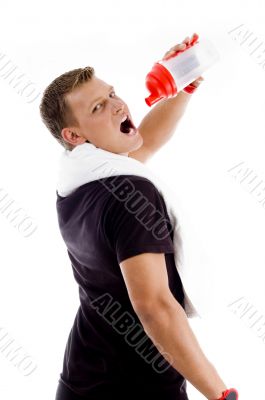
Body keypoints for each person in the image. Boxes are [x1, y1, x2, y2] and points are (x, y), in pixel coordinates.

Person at [39, 34, 227, 400]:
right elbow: (154, 306)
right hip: (134, 386)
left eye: (111, 93)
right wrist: (222, 394)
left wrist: (181, 89)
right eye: (97, 107)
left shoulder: (77, 181)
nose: (117, 105)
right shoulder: (130, 197)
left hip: (82, 378)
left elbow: (145, 142)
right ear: (74, 134)